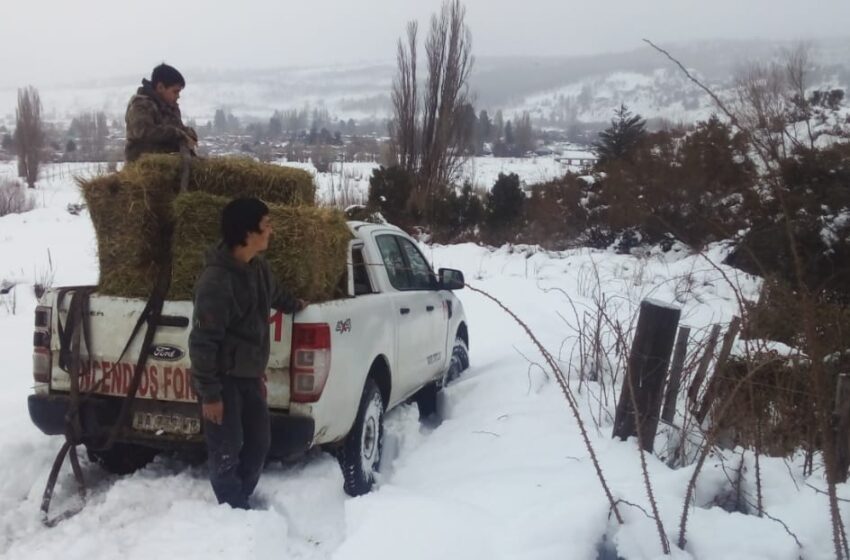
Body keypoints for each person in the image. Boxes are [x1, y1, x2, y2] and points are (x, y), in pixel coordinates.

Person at [189, 197, 306, 509]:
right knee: (227, 449)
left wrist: (295, 305)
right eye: (266, 225)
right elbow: (202, 342)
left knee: (258, 444)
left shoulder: (258, 267)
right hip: (223, 381)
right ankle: (231, 511)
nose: (272, 231)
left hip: (249, 376)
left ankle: (242, 499)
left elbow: (274, 293)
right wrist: (210, 394)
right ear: (246, 232)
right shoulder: (216, 282)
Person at [124, 63, 198, 162]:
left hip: (170, 163)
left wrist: (188, 133)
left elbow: (178, 128)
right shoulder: (140, 105)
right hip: (145, 165)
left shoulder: (171, 107)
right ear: (160, 87)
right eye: (175, 92)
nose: (178, 96)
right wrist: (177, 134)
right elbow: (143, 132)